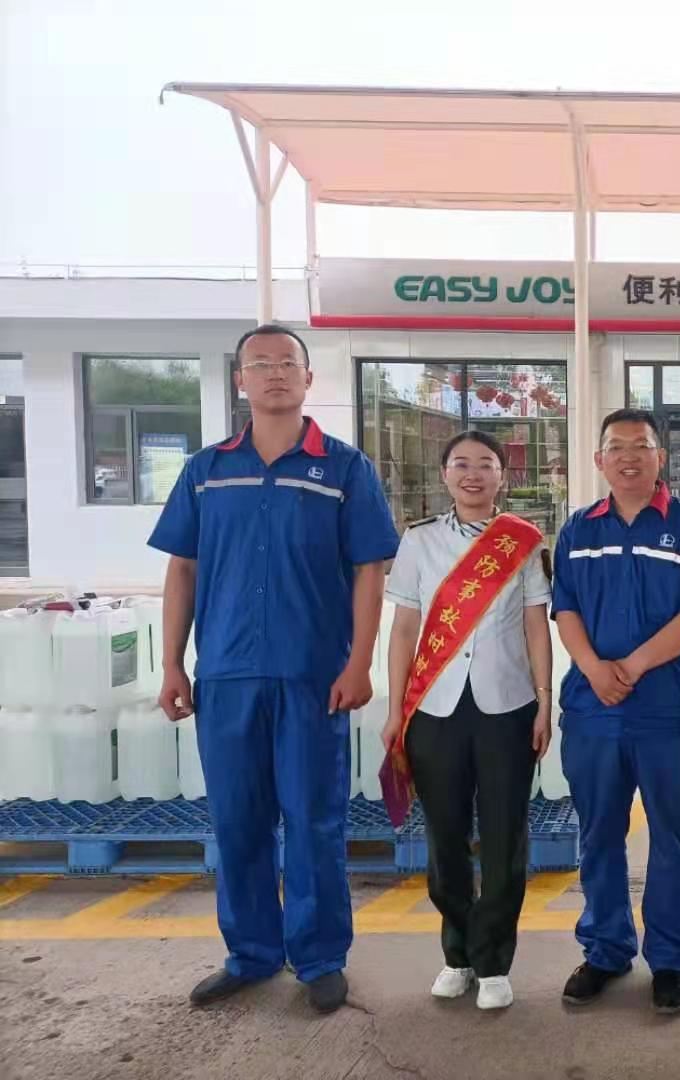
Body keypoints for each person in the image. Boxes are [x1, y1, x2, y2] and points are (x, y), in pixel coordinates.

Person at [149, 324, 399, 1013]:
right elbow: (182, 569)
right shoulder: (206, 470)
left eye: (288, 363)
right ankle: (252, 953)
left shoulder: (344, 469)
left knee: (314, 818)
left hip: (312, 677)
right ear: (241, 381)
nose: (275, 374)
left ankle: (319, 958)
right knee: (237, 819)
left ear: (309, 378)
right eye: (259, 364)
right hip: (226, 675)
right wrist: (171, 663)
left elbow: (369, 571)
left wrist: (359, 662)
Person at [549, 408, 680, 1016]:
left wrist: (629, 667)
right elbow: (565, 609)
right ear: (599, 459)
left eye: (641, 446)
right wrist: (594, 669)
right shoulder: (578, 530)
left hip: (669, 709)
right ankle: (606, 950)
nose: (628, 456)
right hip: (593, 709)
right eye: (616, 447)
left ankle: (670, 959)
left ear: (660, 458)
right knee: (598, 832)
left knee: (673, 836)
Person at [379, 430, 552, 1011]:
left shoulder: (523, 540)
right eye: (461, 464)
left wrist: (545, 700)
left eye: (485, 464)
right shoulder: (419, 540)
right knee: (445, 838)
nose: (472, 474)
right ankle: (457, 954)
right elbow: (404, 628)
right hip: (434, 710)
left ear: (503, 475)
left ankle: (494, 960)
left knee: (505, 838)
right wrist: (395, 709)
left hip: (508, 707)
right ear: (445, 474)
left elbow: (535, 625)